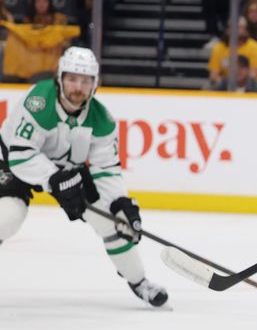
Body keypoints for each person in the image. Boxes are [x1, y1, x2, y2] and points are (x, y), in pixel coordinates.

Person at [0, 47, 168, 306]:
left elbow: (107, 169)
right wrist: (53, 178)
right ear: (59, 79)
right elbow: (21, 155)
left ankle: (139, 282)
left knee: (113, 222)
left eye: (85, 81)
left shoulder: (102, 119)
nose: (78, 87)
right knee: (7, 217)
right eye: (72, 79)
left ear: (95, 84)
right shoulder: (39, 101)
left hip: (66, 169)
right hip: (15, 161)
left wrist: (121, 203)